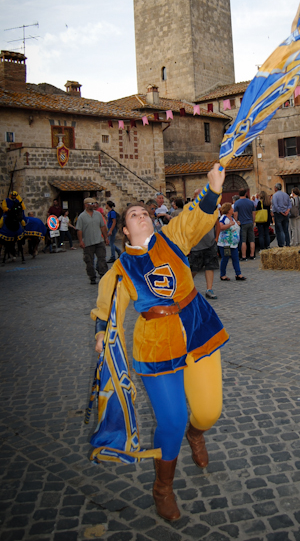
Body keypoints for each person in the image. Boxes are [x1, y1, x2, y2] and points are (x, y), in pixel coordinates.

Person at [91, 163, 229, 521]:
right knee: (172, 420)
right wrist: (103, 333)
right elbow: (109, 305)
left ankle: (196, 434)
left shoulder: (171, 238)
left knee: (208, 411)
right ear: (124, 230)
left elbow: (194, 219)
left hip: (198, 329)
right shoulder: (121, 268)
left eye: (145, 212)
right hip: (156, 345)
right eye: (134, 215)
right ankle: (163, 487)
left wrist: (214, 189)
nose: (142, 215)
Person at [188, 188, 220, 299]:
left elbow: (217, 223)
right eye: (200, 194)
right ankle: (187, 288)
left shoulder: (211, 207)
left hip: (210, 242)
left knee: (210, 266)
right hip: (196, 244)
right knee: (194, 269)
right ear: (194, 196)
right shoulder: (190, 208)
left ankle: (209, 289)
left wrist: (216, 238)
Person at [76, 197, 109, 284]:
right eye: (91, 204)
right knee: (89, 261)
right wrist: (81, 241)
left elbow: (102, 226)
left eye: (94, 203)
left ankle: (103, 275)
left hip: (99, 240)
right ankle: (92, 277)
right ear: (86, 205)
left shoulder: (98, 215)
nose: (93, 205)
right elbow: (79, 230)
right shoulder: (82, 217)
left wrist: (106, 237)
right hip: (88, 242)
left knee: (102, 259)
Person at [217, 202, 246, 281]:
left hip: (233, 243)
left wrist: (237, 224)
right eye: (231, 208)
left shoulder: (231, 218)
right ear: (228, 210)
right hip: (225, 243)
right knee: (225, 258)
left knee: (235, 258)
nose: (233, 209)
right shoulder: (223, 218)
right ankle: (222, 274)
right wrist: (230, 224)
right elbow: (221, 227)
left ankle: (238, 274)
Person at [233, 189, 256, 260]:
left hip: (242, 223)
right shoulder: (251, 202)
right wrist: (253, 222)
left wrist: (236, 221)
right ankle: (252, 255)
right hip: (250, 222)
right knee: (251, 240)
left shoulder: (237, 203)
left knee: (243, 240)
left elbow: (235, 214)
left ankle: (244, 256)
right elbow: (254, 213)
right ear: (245, 194)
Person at [271, 182, 291, 247]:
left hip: (278, 214)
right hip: (286, 213)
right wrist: (287, 211)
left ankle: (281, 244)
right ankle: (287, 243)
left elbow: (275, 205)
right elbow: (289, 204)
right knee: (286, 229)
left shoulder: (275, 195)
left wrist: (281, 212)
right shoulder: (286, 194)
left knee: (279, 230)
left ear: (276, 188)